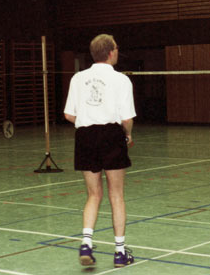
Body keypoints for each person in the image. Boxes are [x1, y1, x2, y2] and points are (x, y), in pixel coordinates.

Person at [64, 34, 136, 268]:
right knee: (116, 195)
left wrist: (87, 119)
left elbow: (69, 115)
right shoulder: (121, 80)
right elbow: (126, 118)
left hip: (84, 137)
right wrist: (126, 135)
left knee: (93, 194)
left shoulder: (77, 78)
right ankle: (119, 252)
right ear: (111, 52)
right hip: (111, 135)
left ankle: (86, 243)